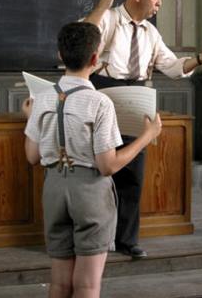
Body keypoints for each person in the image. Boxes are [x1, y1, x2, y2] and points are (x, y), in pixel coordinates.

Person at [83, 0, 202, 259]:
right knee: (99, 171)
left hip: (137, 95)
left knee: (133, 173)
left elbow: (174, 67)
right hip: (103, 92)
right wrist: (102, 5)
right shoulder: (109, 18)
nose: (160, 0)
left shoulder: (151, 33)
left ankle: (126, 240)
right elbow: (82, 39)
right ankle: (96, 239)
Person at [22, 22, 162, 298]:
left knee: (60, 284)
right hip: (89, 193)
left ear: (60, 55)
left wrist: (31, 119)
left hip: (53, 190)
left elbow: (32, 156)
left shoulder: (42, 98)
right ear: (96, 58)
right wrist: (147, 136)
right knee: (87, 286)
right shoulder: (99, 102)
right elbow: (107, 165)